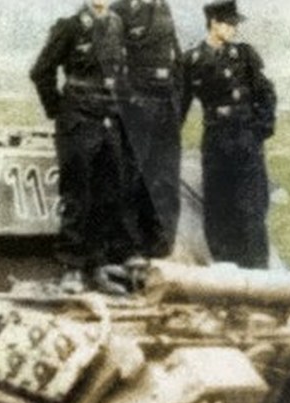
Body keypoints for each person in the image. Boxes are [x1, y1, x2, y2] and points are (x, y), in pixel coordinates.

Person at [30, 0, 136, 293]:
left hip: (109, 119)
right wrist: (59, 110)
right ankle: (72, 268)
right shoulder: (70, 27)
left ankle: (97, 267)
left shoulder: (118, 25)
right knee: (77, 195)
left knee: (108, 196)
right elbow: (41, 71)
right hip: (78, 121)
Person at [180, 0, 276, 269]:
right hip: (216, 141)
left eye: (235, 24)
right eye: (229, 24)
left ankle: (257, 270)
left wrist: (260, 131)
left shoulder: (244, 55)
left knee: (251, 207)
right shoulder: (192, 60)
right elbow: (180, 104)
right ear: (214, 23)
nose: (234, 29)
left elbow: (266, 94)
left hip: (245, 139)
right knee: (219, 208)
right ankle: (225, 269)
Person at [111, 0, 182, 260]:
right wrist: (130, 99)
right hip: (137, 102)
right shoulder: (120, 10)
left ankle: (160, 246)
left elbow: (176, 58)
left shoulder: (163, 8)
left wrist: (176, 100)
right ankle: (128, 249)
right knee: (131, 176)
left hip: (165, 103)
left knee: (165, 174)